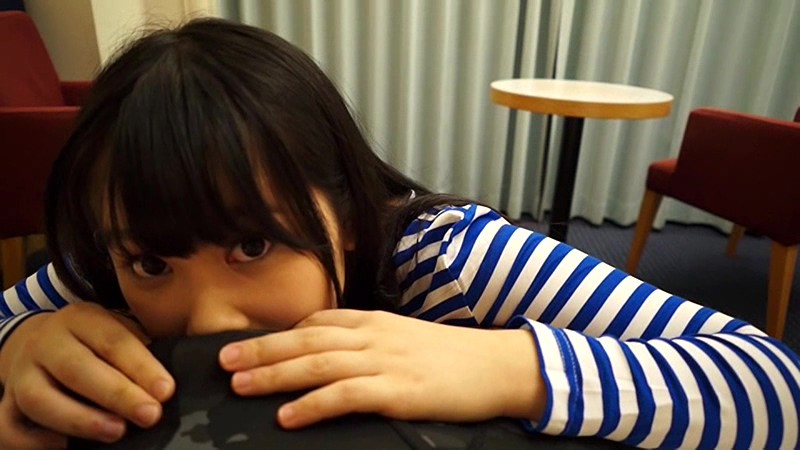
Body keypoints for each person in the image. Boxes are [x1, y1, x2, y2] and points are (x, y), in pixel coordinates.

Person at [0, 18, 797, 450]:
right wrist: (19, 343)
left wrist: (509, 364)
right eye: (153, 264)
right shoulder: (112, 259)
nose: (207, 318)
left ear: (347, 219)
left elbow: (774, 385)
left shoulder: (446, 258)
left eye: (253, 246)